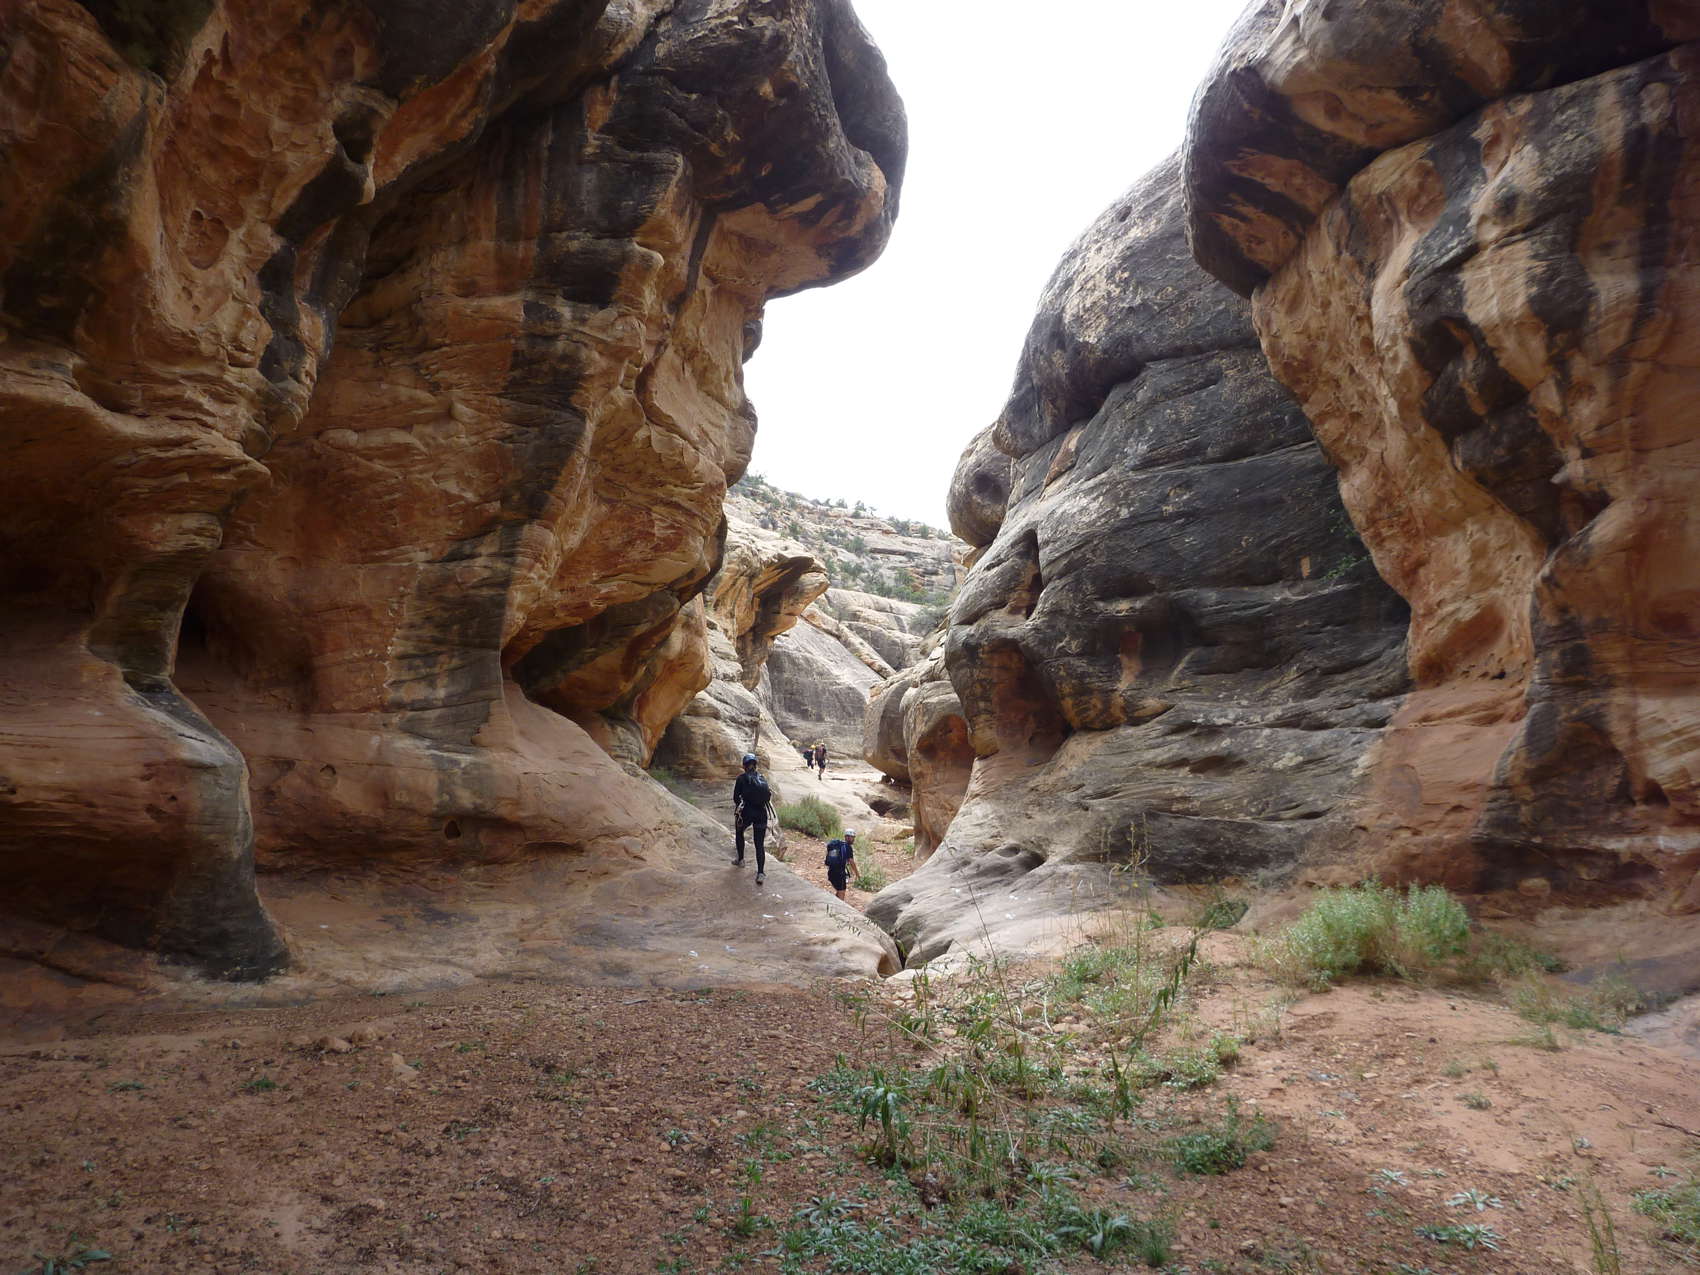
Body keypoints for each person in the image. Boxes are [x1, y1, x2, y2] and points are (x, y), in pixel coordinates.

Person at [731, 752, 772, 884]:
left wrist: (741, 806)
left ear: (744, 766)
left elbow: (736, 798)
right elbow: (768, 796)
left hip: (747, 812)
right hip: (761, 813)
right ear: (755, 765)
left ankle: (741, 860)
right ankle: (760, 873)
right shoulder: (762, 777)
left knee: (739, 832)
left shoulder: (741, 779)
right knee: (759, 844)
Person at [824, 828, 857, 900]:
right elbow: (851, 861)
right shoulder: (847, 847)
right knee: (841, 892)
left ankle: (833, 904)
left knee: (839, 891)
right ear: (848, 837)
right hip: (839, 874)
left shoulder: (838, 844)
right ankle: (838, 906)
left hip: (831, 872)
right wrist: (857, 874)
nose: (853, 839)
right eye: (852, 837)